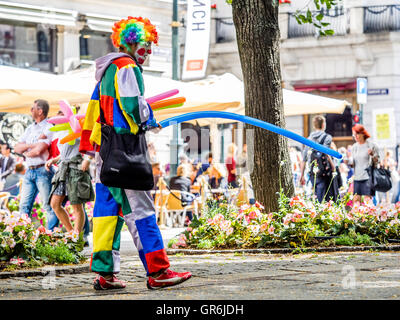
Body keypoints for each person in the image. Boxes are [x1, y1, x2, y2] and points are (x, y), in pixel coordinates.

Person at [79, 16, 191, 291]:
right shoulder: (127, 67)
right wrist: (148, 121)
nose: (149, 51)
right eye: (146, 45)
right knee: (142, 210)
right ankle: (159, 271)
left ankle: (105, 275)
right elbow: (132, 103)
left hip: (105, 153)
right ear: (130, 44)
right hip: (126, 151)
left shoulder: (106, 71)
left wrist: (89, 147)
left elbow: (93, 111)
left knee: (107, 213)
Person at [45, 109, 94, 239]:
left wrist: (87, 160)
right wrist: (54, 159)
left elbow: (92, 144)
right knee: (55, 204)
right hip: (63, 169)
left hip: (76, 168)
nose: (60, 115)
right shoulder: (60, 132)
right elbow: (65, 151)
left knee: (76, 205)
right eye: (59, 113)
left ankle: (76, 237)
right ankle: (72, 233)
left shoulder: (79, 127)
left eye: (63, 113)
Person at [14, 99, 59, 231]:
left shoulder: (49, 126)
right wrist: (31, 146)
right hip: (30, 171)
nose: (31, 110)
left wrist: (26, 149)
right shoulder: (30, 127)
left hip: (43, 170)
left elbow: (40, 150)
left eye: (33, 108)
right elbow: (17, 148)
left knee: (48, 206)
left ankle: (50, 235)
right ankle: (23, 235)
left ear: (40, 111)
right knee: (24, 205)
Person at [299, 115, 336, 203]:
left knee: (317, 193)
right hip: (324, 172)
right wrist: (333, 166)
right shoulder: (327, 137)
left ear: (314, 125)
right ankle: (320, 211)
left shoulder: (309, 139)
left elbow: (304, 158)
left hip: (313, 172)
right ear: (323, 125)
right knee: (325, 196)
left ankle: (317, 210)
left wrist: (302, 175)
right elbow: (326, 153)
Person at [346, 124, 379, 204]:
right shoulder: (354, 147)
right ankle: (357, 216)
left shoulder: (371, 145)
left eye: (357, 134)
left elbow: (377, 161)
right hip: (357, 177)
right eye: (354, 135)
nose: (355, 136)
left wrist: (372, 155)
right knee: (356, 200)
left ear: (363, 133)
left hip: (368, 177)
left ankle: (369, 216)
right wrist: (349, 162)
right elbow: (353, 164)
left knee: (368, 200)